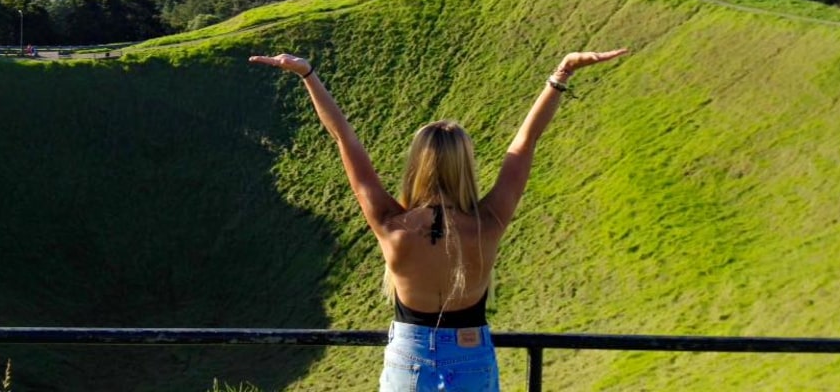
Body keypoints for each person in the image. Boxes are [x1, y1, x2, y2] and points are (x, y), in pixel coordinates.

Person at [249, 48, 628, 391]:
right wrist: (560, 74)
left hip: (408, 354)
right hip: (471, 354)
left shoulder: (391, 224)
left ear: (416, 164)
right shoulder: (488, 221)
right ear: (466, 165)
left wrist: (308, 75)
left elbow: (344, 139)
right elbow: (524, 144)